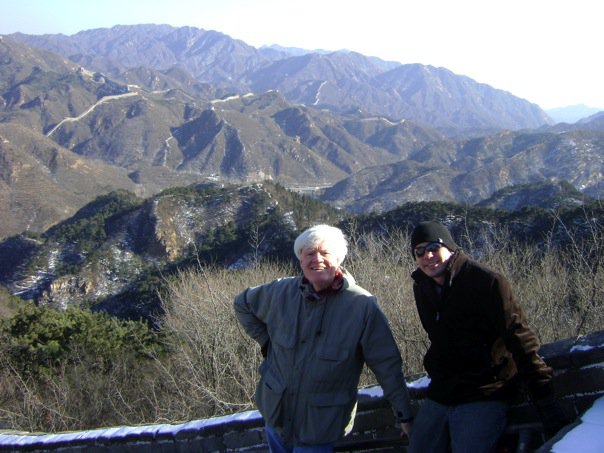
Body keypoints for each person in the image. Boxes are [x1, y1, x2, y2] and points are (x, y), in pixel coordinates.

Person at [234, 224, 413, 452]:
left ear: (339, 259)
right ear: (300, 260)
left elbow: (387, 366)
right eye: (309, 253)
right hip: (276, 416)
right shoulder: (280, 293)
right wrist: (267, 342)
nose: (317, 259)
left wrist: (405, 416)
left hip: (319, 426)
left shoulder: (361, 306)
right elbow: (242, 304)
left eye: (325, 253)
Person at [407, 221, 568, 453]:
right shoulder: (423, 287)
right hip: (443, 390)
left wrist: (544, 397)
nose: (427, 256)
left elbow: (519, 338)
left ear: (450, 248)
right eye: (419, 251)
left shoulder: (486, 281)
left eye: (434, 247)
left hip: (486, 389)